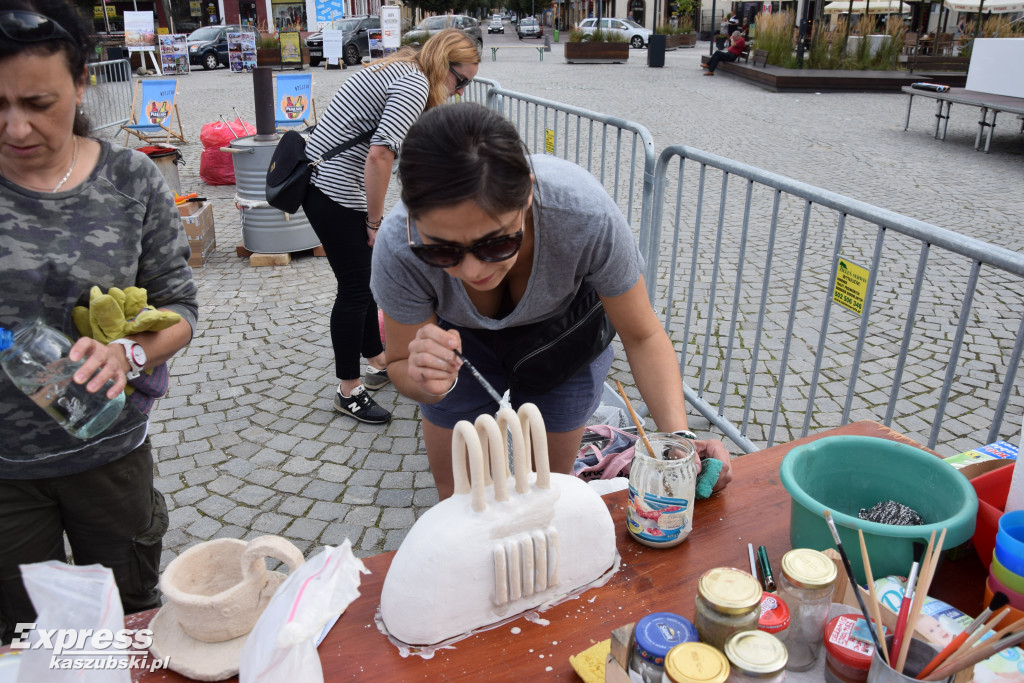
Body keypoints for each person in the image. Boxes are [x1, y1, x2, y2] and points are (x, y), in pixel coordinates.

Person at [371, 103, 734, 500]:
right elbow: (402, 362)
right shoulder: (399, 245)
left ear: (527, 194)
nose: (473, 271)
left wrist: (677, 443)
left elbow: (642, 335)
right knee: (463, 499)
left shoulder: (582, 214)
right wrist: (426, 381)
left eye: (496, 242)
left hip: (561, 337)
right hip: (459, 348)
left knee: (546, 491)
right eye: (442, 252)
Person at [0, 0, 197, 644]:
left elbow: (181, 310)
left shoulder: (129, 180)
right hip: (6, 476)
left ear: (82, 81)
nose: (16, 127)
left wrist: (129, 356)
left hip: (110, 456)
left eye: (38, 102)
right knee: (31, 636)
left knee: (132, 617)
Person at [302, 28, 480, 426]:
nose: (462, 91)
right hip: (333, 190)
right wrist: (375, 221)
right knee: (353, 288)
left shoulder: (405, 66)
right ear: (443, 64)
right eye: (461, 81)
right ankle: (349, 390)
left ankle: (377, 360)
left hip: (332, 184)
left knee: (365, 281)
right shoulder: (415, 83)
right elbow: (380, 154)